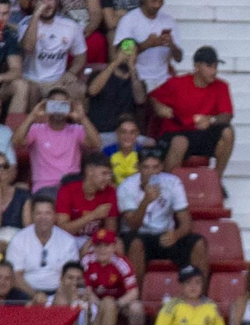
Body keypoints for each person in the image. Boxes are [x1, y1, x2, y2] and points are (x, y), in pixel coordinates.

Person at [119, 148, 208, 279]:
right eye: (146, 167)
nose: (151, 172)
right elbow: (133, 225)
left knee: (198, 243)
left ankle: (200, 296)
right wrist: (145, 201)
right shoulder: (127, 186)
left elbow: (186, 222)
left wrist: (176, 235)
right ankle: (135, 297)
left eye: (155, 167)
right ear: (138, 167)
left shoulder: (173, 183)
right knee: (135, 243)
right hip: (139, 235)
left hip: (165, 235)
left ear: (161, 167)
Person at [150, 45, 234, 177]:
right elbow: (152, 97)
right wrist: (158, 107)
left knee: (228, 133)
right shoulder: (177, 83)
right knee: (180, 142)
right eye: (209, 66)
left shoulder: (221, 86)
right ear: (197, 66)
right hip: (176, 132)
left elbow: (227, 115)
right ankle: (167, 187)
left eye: (215, 66)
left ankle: (217, 180)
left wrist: (211, 120)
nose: (214, 71)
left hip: (202, 133)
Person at [14, 88, 99, 194]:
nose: (58, 108)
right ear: (47, 106)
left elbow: (96, 144)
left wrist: (82, 118)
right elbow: (16, 142)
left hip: (71, 185)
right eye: (54, 104)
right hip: (44, 187)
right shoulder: (36, 129)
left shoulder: (77, 130)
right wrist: (32, 116)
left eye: (63, 104)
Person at [20, 0, 88, 107]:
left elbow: (81, 56)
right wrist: (35, 15)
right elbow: (28, 48)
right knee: (32, 91)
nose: (46, 4)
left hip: (56, 81)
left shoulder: (70, 26)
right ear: (34, 2)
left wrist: (71, 73)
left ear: (57, 2)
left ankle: (76, 126)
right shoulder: (26, 23)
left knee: (79, 89)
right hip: (30, 79)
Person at [112, 0, 180, 90]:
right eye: (153, 1)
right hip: (136, 79)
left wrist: (172, 45)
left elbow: (179, 58)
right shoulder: (129, 20)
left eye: (160, 1)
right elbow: (123, 53)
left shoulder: (169, 21)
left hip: (163, 79)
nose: (157, 5)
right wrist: (147, 44)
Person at [4, 194, 79, 293]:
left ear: (55, 216)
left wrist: (57, 297)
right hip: (25, 294)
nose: (43, 217)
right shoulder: (19, 239)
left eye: (48, 213)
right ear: (32, 216)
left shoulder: (68, 241)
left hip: (59, 293)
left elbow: (71, 276)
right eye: (38, 213)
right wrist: (35, 295)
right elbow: (15, 275)